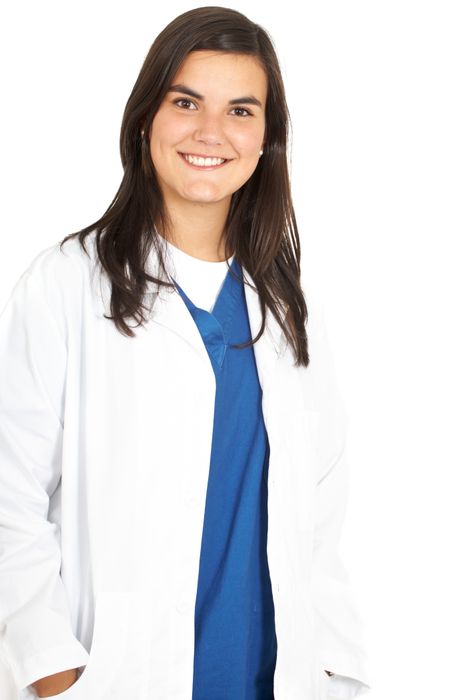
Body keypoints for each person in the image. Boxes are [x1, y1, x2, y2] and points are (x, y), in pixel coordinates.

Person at [0, 6, 371, 699]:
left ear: (267, 139)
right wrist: (53, 672)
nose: (210, 132)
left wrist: (333, 669)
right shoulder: (65, 285)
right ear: (146, 118)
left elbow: (316, 522)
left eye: (240, 110)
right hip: (118, 681)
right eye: (186, 102)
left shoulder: (284, 308)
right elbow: (7, 499)